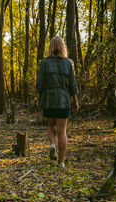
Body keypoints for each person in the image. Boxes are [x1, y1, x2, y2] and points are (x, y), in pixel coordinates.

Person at [35, 36, 79, 168]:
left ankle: (52, 144)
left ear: (51, 47)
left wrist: (37, 98)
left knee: (50, 125)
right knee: (62, 131)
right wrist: (75, 101)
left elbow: (40, 83)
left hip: (49, 99)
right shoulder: (68, 63)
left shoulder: (44, 62)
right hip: (64, 100)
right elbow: (73, 85)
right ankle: (61, 162)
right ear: (62, 47)